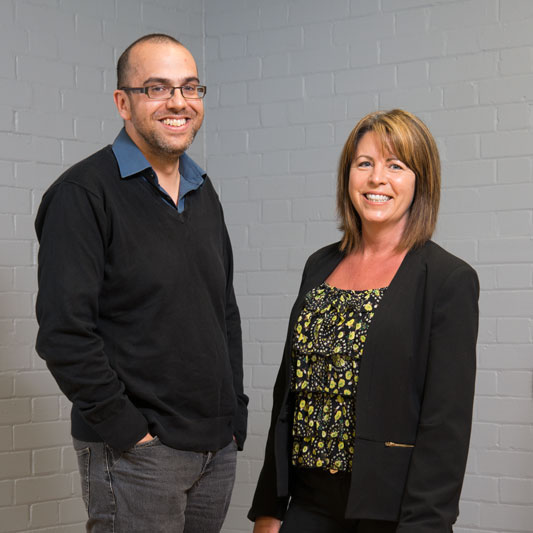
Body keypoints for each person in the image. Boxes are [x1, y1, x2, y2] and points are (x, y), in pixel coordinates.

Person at [35, 33, 248, 533]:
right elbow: (64, 334)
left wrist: (233, 416)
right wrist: (130, 434)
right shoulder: (82, 194)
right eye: (158, 88)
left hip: (214, 450)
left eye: (191, 88)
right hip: (138, 455)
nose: (179, 102)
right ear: (123, 103)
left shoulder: (202, 190)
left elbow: (225, 314)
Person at [248, 109, 479, 532]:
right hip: (307, 505)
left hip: (389, 514)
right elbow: (289, 393)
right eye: (364, 163)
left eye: (396, 165)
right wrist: (269, 508)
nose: (377, 178)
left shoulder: (447, 280)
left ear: (419, 181)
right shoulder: (319, 266)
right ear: (348, 176)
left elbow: (445, 427)